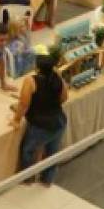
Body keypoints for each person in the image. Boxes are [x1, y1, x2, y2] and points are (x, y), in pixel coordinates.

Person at [11, 53, 68, 185]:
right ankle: (48, 180)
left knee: (28, 151)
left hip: (41, 125)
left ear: (37, 68)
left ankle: (28, 178)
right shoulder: (58, 78)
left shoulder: (30, 81)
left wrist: (16, 120)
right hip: (59, 120)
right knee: (52, 153)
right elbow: (64, 98)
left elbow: (24, 104)